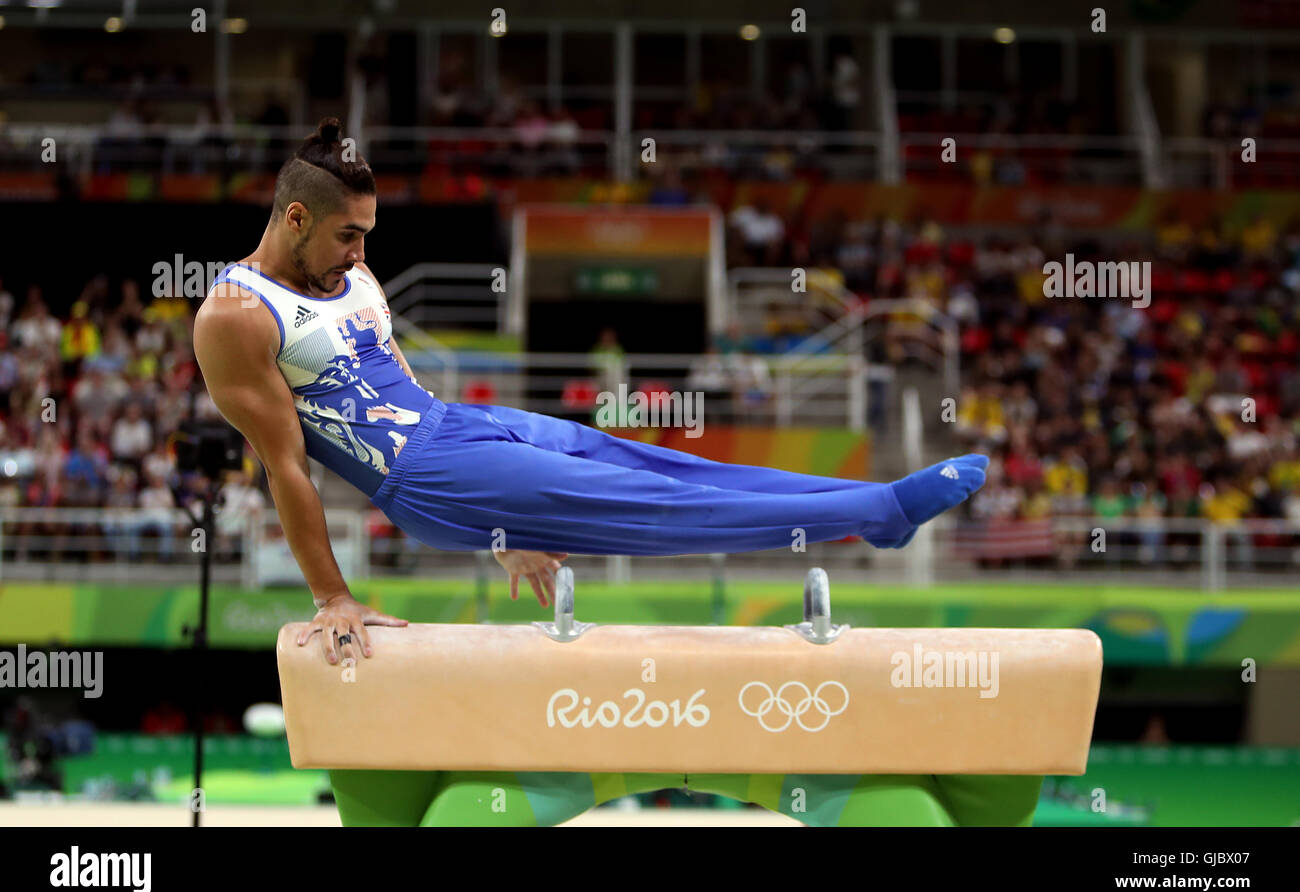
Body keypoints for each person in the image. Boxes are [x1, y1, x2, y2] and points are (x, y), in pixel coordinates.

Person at [192, 119, 1009, 828]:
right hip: (420, 473)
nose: (361, 252)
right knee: (647, 503)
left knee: (650, 459)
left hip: (459, 429)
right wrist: (332, 595)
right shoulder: (235, 317)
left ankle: (878, 510)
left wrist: (502, 529)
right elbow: (286, 466)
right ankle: (872, 511)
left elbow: (402, 378)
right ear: (294, 217)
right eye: (347, 236)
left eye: (366, 235)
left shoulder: (355, 276)